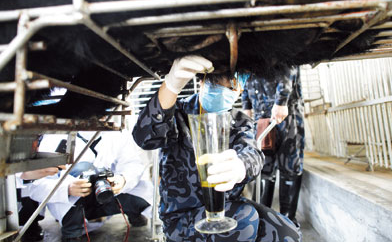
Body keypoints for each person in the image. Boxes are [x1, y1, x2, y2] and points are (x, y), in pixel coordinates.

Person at [132, 55, 302, 242]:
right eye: (221, 82)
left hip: (229, 205)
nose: (227, 90)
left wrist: (241, 166)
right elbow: (144, 137)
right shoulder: (177, 113)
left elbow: (254, 153)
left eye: (233, 87)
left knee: (288, 233)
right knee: (245, 220)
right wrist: (171, 86)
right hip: (183, 216)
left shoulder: (239, 122)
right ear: (205, 80)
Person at [28, 131, 153, 242]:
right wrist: (67, 188)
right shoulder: (53, 138)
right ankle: (72, 233)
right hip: (76, 199)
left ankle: (134, 214)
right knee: (71, 212)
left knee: (139, 196)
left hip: (110, 194)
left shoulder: (117, 136)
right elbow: (35, 185)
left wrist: (123, 179)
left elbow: (133, 165)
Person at [242, 64, 305, 227]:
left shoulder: (272, 42)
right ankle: (265, 219)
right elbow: (247, 74)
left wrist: (281, 100)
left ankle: (288, 222)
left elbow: (289, 64)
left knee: (289, 167)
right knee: (265, 168)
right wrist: (246, 106)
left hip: (285, 113)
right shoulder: (247, 49)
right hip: (261, 117)